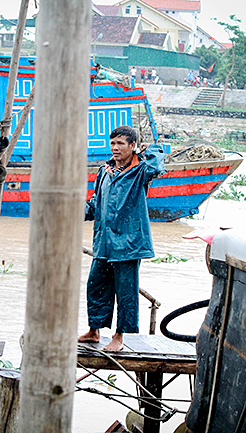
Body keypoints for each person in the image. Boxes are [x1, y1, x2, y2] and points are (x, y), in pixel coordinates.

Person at [78, 125, 166, 351]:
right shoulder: (104, 172)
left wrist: (151, 149)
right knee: (95, 285)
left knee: (126, 291)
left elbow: (158, 165)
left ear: (133, 146)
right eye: (112, 143)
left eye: (120, 144)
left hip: (129, 243)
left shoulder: (140, 171)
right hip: (104, 241)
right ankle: (94, 330)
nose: (115, 148)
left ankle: (120, 336)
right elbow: (96, 203)